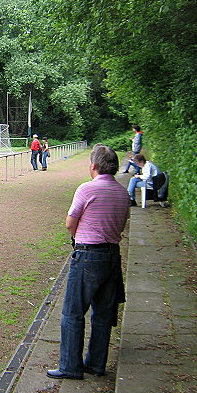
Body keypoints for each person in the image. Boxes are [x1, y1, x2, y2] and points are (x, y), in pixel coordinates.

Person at [47, 144, 129, 380]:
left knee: (73, 312)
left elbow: (70, 223)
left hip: (87, 255)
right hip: (112, 256)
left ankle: (70, 366)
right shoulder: (122, 192)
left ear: (93, 166)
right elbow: (121, 224)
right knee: (103, 314)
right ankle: (95, 363)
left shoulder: (86, 189)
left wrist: (77, 236)